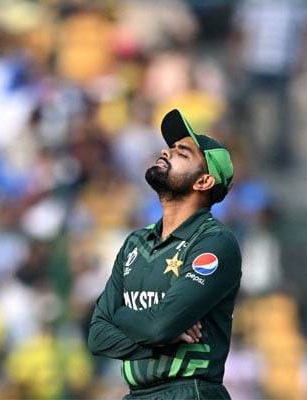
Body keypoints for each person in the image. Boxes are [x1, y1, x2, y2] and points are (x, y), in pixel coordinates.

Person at [87, 109, 242, 399]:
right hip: (136, 394)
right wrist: (157, 338)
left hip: (190, 391)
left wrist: (122, 317)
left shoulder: (215, 243)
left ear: (204, 182)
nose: (166, 151)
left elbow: (158, 326)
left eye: (182, 152)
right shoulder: (135, 243)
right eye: (171, 147)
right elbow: (97, 336)